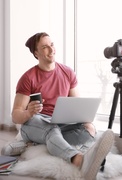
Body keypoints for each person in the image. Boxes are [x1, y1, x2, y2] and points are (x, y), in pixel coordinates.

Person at [1, 32, 114, 179]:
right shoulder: (28, 78)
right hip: (35, 122)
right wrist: (29, 112)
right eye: (45, 47)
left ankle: (35, 144)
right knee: (51, 129)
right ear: (36, 53)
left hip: (60, 123)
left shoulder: (67, 72)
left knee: (89, 129)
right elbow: (16, 116)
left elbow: (76, 105)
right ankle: (78, 160)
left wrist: (85, 121)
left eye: (52, 45)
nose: (51, 49)